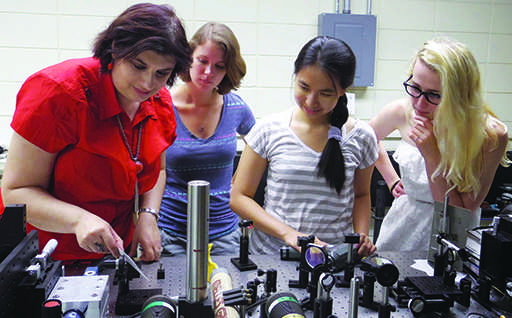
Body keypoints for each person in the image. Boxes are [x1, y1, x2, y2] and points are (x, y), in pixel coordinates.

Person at [0, 3, 192, 261]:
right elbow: (16, 192)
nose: (148, 83)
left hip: (112, 255)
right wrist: (78, 220)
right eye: (138, 65)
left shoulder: (159, 103)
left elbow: (157, 169)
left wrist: (148, 216)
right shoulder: (59, 93)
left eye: (161, 73)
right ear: (115, 50)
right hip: (45, 256)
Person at [230, 36, 378, 256]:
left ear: (343, 90)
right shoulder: (269, 129)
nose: (311, 100)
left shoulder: (361, 137)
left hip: (334, 259)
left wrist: (360, 238)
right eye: (304, 87)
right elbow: (238, 197)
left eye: (325, 93)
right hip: (273, 256)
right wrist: (289, 234)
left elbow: (362, 196)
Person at [370, 38, 510, 252]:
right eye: (415, 88)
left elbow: (459, 214)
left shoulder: (489, 134)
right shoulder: (402, 111)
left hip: (450, 236)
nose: (419, 103)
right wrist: (391, 179)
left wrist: (432, 155)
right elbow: (366, 140)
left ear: (460, 97)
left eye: (435, 95)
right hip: (402, 227)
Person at [158, 22, 255, 255]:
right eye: (202, 61)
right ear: (189, 58)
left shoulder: (236, 107)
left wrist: (238, 186)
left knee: (229, 291)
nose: (208, 72)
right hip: (172, 233)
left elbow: (260, 146)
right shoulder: (162, 106)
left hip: (224, 234)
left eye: (219, 66)